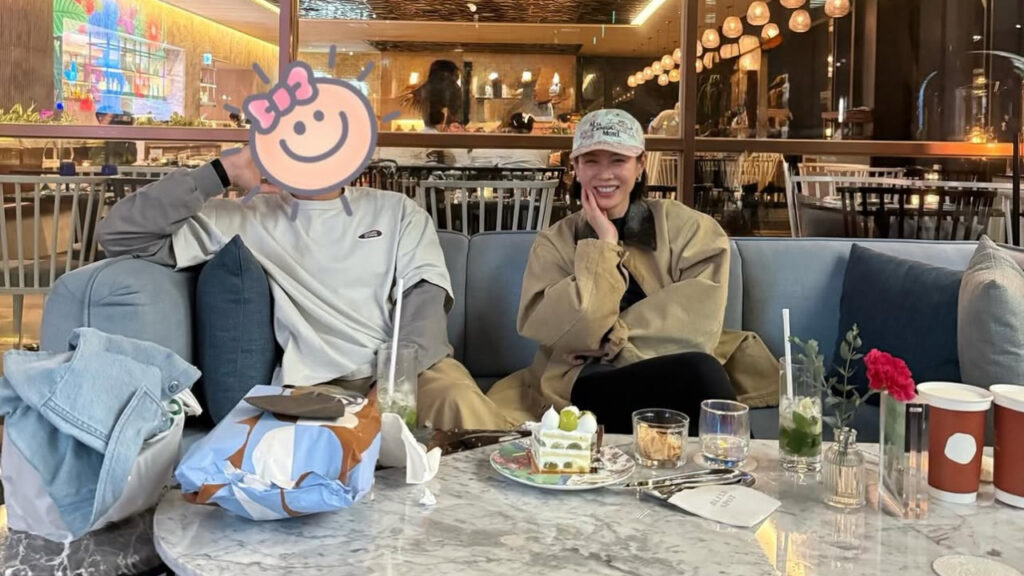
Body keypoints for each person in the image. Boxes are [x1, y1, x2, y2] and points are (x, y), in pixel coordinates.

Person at [96, 147, 513, 431]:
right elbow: (118, 234)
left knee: (462, 406)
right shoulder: (240, 216)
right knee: (313, 452)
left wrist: (388, 387)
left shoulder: (396, 209)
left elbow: (425, 299)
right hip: (314, 385)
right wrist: (222, 171)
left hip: (411, 373)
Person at [487, 109, 777, 432]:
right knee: (700, 375)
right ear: (575, 168)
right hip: (584, 383)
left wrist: (611, 341)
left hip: (670, 371)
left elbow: (697, 324)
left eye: (618, 160)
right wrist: (604, 244)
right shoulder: (554, 244)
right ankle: (738, 464)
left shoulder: (688, 229)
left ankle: (728, 464)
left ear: (640, 165)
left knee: (699, 372)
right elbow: (567, 331)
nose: (604, 174)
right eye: (591, 161)